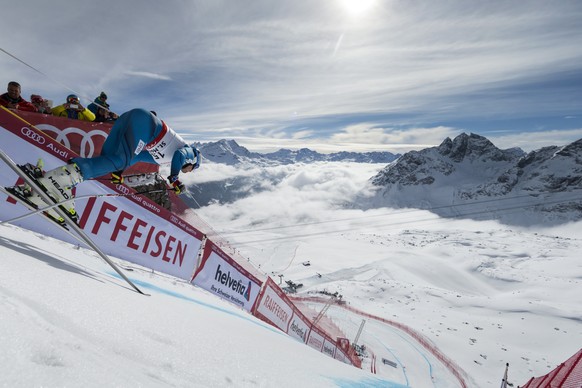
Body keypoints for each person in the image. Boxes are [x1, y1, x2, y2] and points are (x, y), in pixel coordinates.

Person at [35, 108, 200, 215]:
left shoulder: (163, 158)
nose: (188, 171)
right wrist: (174, 179)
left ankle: (59, 179)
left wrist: (119, 172)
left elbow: (136, 157)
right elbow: (179, 155)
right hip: (145, 123)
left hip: (133, 118)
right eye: (191, 169)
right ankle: (60, 180)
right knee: (118, 160)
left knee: (110, 159)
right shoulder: (189, 152)